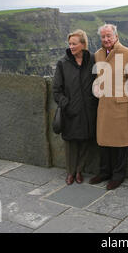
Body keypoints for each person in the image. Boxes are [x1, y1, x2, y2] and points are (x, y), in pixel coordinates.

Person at [89, 24, 128, 190]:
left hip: (121, 107)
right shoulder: (97, 55)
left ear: (116, 36)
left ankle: (118, 176)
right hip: (104, 106)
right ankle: (104, 172)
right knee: (104, 143)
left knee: (121, 145)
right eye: (103, 37)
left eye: (109, 36)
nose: (106, 39)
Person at [53, 29, 98, 185]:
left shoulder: (93, 60)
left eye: (74, 43)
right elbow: (56, 91)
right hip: (70, 112)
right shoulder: (62, 63)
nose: (71, 46)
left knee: (86, 142)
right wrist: (67, 104)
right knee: (71, 144)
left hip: (89, 111)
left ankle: (79, 171)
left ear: (83, 44)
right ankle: (70, 173)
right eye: (70, 43)